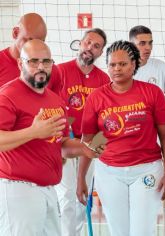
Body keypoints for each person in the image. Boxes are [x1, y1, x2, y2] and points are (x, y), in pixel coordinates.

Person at [77, 40, 165, 236]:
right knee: (119, 231)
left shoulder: (152, 93)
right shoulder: (96, 97)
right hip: (109, 173)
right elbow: (88, 141)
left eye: (122, 64)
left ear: (134, 64)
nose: (117, 69)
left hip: (147, 170)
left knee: (142, 231)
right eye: (112, 64)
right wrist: (81, 178)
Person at [0, 39, 95, 236]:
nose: (41, 67)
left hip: (49, 190)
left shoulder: (55, 101)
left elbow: (60, 145)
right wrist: (33, 132)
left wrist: (86, 147)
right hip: (18, 190)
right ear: (20, 64)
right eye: (33, 61)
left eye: (46, 61)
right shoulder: (8, 95)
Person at [54, 28, 110, 236]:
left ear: (100, 52)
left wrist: (95, 142)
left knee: (82, 195)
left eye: (96, 46)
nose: (90, 48)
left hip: (90, 143)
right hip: (64, 143)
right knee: (67, 194)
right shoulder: (59, 72)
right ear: (80, 43)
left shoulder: (104, 80)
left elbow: (105, 117)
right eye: (87, 42)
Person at [0, 12, 62, 93]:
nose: (35, 46)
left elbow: (55, 104)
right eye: (30, 40)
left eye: (41, 42)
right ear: (15, 33)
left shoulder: (51, 70)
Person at [129, 25, 165, 95]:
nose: (148, 47)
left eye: (150, 43)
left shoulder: (161, 67)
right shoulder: (119, 70)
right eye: (142, 43)